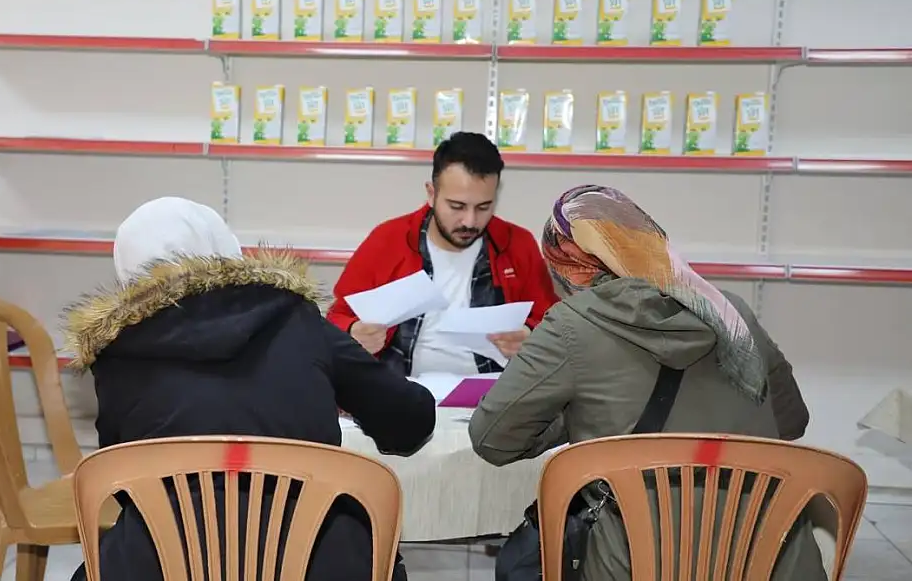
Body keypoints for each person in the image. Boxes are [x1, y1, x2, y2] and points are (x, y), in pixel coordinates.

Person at [62, 197, 436, 581]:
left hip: (164, 564)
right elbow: (410, 421)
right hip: (319, 562)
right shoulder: (297, 320)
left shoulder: (116, 357)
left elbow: (125, 480)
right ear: (226, 249)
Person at [468, 185, 822, 581]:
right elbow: (791, 421)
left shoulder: (572, 326)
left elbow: (492, 439)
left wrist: (577, 417)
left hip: (642, 564)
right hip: (770, 561)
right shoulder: (730, 311)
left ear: (565, 265)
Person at [326, 131, 559, 384]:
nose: (470, 221)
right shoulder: (388, 240)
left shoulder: (517, 244)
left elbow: (553, 322)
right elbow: (337, 317)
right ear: (431, 194)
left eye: (483, 207)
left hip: (493, 396)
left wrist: (529, 334)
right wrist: (354, 331)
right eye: (457, 206)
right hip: (402, 391)